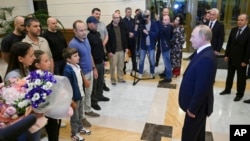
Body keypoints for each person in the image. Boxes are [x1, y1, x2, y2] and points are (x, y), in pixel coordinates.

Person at [179, 25, 216, 141]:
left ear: (203, 38)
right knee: (198, 135)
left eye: (193, 36)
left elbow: (202, 88)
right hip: (196, 107)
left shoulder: (207, 58)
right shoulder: (202, 52)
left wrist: (192, 109)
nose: (189, 39)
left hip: (196, 109)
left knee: (189, 136)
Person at [4, 42, 42, 141]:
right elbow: (15, 105)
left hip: (29, 119)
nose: (34, 58)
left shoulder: (27, 70)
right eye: (31, 55)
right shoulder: (13, 77)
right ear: (20, 59)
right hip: (20, 123)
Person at [69, 20, 100, 128]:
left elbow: (89, 54)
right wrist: (83, 78)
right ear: (74, 31)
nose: (84, 32)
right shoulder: (73, 44)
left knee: (88, 94)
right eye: (81, 30)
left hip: (90, 71)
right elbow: (74, 64)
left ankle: (88, 110)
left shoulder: (86, 39)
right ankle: (82, 118)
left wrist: (94, 68)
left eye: (85, 30)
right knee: (81, 97)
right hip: (81, 75)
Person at [220, 14, 250, 102]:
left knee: (241, 78)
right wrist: (226, 55)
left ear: (246, 21)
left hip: (242, 60)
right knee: (229, 75)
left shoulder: (248, 32)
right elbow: (229, 44)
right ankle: (227, 89)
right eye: (238, 20)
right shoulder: (234, 30)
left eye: (242, 20)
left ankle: (239, 94)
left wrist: (245, 60)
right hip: (231, 58)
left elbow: (249, 48)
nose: (239, 22)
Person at [62, 48, 91, 141]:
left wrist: (85, 81)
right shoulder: (67, 70)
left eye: (78, 55)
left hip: (81, 94)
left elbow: (81, 78)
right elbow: (66, 87)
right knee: (74, 116)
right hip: (74, 97)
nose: (78, 57)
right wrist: (71, 101)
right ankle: (74, 133)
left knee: (80, 114)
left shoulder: (77, 66)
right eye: (75, 56)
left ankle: (80, 128)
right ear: (68, 59)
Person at [86, 16, 110, 111]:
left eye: (96, 23)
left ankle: (100, 96)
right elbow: (89, 52)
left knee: (101, 80)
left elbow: (100, 47)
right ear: (88, 24)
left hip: (100, 61)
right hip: (94, 63)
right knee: (94, 84)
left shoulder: (97, 33)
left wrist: (104, 59)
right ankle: (94, 101)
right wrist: (93, 67)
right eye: (93, 23)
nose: (96, 25)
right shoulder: (87, 36)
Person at [134, 10, 159, 79]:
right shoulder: (142, 24)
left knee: (152, 61)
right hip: (143, 46)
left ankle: (152, 72)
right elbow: (135, 34)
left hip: (151, 46)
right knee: (141, 60)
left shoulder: (153, 23)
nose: (146, 17)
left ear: (150, 16)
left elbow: (156, 34)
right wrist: (136, 25)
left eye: (147, 16)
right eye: (145, 16)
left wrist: (148, 32)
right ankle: (140, 73)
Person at [106, 12, 128, 85]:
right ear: (112, 18)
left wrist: (126, 47)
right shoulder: (108, 28)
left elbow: (124, 37)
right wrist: (109, 51)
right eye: (115, 18)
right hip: (113, 51)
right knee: (112, 66)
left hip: (121, 50)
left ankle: (120, 78)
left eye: (118, 17)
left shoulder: (122, 26)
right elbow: (107, 41)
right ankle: (113, 80)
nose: (117, 19)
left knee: (121, 66)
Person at [91, 8, 110, 92]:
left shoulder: (102, 24)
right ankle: (97, 88)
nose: (98, 15)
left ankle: (103, 84)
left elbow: (106, 35)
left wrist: (102, 44)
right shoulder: (90, 24)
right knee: (96, 69)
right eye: (96, 13)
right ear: (92, 14)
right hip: (94, 51)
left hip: (102, 49)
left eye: (99, 14)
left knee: (102, 68)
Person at [158, 15, 173, 83]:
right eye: (163, 19)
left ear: (169, 21)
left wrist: (158, 21)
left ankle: (168, 78)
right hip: (163, 47)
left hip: (166, 48)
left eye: (166, 20)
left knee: (167, 63)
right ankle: (166, 74)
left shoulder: (169, 27)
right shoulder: (165, 26)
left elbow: (161, 30)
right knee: (165, 62)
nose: (164, 21)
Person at [122, 7, 137, 74]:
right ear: (125, 12)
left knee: (134, 55)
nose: (130, 13)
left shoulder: (133, 20)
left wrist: (133, 33)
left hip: (133, 40)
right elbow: (122, 30)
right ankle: (123, 69)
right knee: (125, 55)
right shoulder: (122, 21)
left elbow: (136, 28)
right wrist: (128, 33)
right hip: (126, 41)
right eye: (128, 12)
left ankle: (135, 68)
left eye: (130, 12)